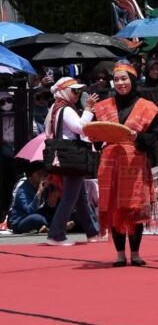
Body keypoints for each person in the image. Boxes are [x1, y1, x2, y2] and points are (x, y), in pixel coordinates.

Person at [93, 61, 158, 267]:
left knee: (135, 207)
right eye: (116, 79)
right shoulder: (103, 107)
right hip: (110, 161)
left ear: (132, 80)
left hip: (135, 160)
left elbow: (154, 136)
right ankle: (120, 254)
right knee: (114, 207)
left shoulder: (147, 107)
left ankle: (136, 253)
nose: (120, 83)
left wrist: (137, 136)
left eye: (124, 79)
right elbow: (95, 138)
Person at [44, 77, 100, 246]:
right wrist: (89, 109)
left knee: (80, 196)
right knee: (70, 196)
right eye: (74, 90)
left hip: (65, 155)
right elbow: (80, 127)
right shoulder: (66, 109)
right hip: (72, 156)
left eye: (78, 91)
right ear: (64, 91)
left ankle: (92, 232)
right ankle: (56, 234)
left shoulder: (55, 107)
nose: (77, 94)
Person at [7, 161, 56, 234]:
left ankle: (49, 227)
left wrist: (53, 191)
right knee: (36, 218)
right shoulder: (22, 190)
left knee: (53, 214)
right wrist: (39, 192)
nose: (42, 177)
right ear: (30, 176)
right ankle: (55, 226)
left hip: (39, 215)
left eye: (44, 174)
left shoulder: (45, 186)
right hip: (21, 221)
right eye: (39, 174)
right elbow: (30, 211)